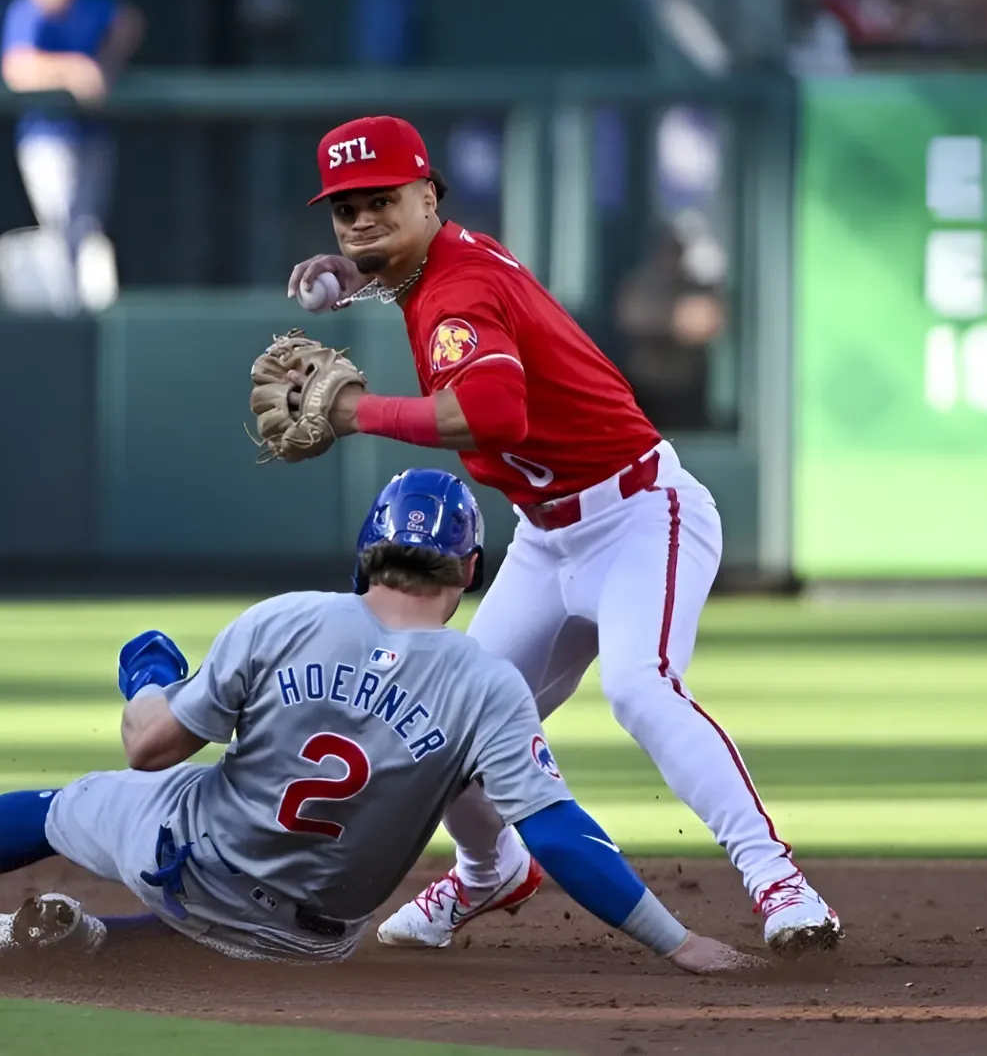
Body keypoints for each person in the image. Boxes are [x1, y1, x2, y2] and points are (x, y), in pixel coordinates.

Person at [281, 115, 842, 956]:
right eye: (345, 209)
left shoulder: (454, 288)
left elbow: (493, 412)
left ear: (429, 194)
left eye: (382, 200)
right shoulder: (441, 259)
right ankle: (489, 870)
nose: (361, 218)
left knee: (641, 688)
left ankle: (781, 884)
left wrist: (358, 411)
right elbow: (432, 282)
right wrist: (362, 274)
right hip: (546, 539)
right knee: (440, 716)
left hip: (641, 513)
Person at [0, 469, 761, 973]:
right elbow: (561, 835)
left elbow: (149, 748)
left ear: (366, 552)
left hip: (192, 863)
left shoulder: (289, 617)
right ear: (469, 573)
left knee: (62, 805)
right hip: (320, 935)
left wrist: (153, 671)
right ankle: (93, 942)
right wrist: (676, 942)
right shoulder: (487, 683)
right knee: (243, 916)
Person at [0, 0, 143, 312]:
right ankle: (62, 314)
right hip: (46, 137)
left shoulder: (89, 3)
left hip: (92, 133)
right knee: (59, 226)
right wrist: (73, 70)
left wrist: (106, 61)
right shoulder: (27, 10)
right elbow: (16, 69)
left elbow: (129, 23)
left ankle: (82, 312)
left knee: (88, 229)